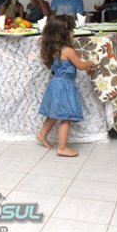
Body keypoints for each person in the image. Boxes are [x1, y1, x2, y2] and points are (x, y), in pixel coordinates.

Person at [36, 15, 96, 157]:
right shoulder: (68, 50)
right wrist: (91, 62)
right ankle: (62, 148)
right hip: (65, 86)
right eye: (71, 30)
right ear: (63, 34)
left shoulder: (53, 49)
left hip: (55, 84)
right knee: (66, 117)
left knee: (54, 113)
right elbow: (80, 66)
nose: (73, 33)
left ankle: (42, 134)